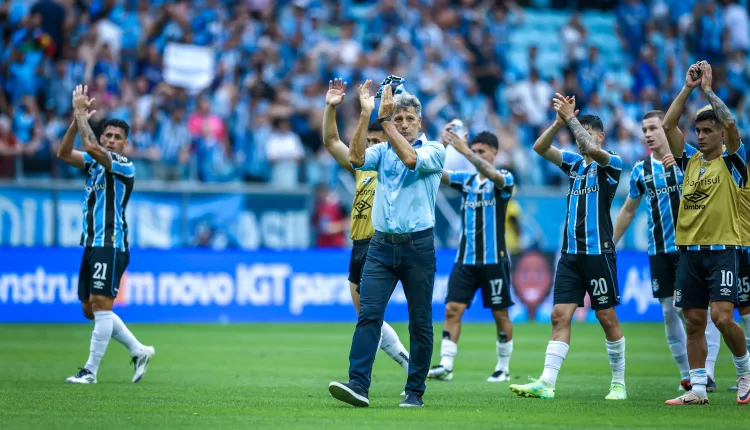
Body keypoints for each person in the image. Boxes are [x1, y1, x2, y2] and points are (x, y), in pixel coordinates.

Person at [328, 82, 446, 408]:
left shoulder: (434, 150)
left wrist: (388, 121)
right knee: (369, 315)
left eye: (410, 118)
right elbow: (354, 157)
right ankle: (358, 385)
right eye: (400, 118)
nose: (405, 124)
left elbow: (410, 159)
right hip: (380, 246)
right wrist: (367, 115)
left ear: (420, 122)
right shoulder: (380, 151)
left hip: (418, 246)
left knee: (419, 321)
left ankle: (414, 393)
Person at [509, 94, 627, 400]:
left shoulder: (611, 163)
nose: (579, 139)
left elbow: (590, 148)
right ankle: (547, 383)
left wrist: (571, 119)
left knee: (606, 318)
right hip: (570, 254)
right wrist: (559, 121)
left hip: (597, 253)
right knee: (559, 316)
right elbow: (540, 147)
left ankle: (618, 383)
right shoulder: (575, 165)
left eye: (586, 133)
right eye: (577, 133)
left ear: (600, 136)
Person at [661, 61, 750, 405]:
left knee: (722, 316)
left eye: (707, 131)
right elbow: (669, 124)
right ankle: (698, 389)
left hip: (722, 249)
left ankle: (744, 371)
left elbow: (730, 121)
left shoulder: (734, 162)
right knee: (694, 320)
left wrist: (708, 91)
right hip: (689, 251)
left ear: (721, 135)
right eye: (697, 131)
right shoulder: (689, 162)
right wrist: (687, 89)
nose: (700, 136)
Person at [56, 85, 154, 384]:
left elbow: (93, 149)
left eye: (117, 138)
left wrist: (80, 113)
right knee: (90, 309)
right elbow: (63, 153)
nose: (111, 141)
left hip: (110, 243)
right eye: (107, 136)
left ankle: (90, 371)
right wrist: (76, 122)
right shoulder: (94, 165)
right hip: (91, 243)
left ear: (125, 144)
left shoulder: (123, 165)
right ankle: (139, 350)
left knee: (101, 304)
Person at [321, 78, 410, 379]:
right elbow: (332, 141)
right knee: (366, 316)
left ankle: (360, 380)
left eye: (376, 142)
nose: (370, 147)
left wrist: (389, 106)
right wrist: (330, 108)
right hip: (358, 245)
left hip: (379, 244)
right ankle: (407, 361)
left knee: (369, 317)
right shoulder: (361, 167)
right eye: (368, 142)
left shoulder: (395, 166)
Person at [428, 127, 516, 383]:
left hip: (494, 261)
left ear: (494, 153)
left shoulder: (504, 179)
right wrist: (442, 145)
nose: (475, 155)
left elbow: (494, 176)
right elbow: (435, 172)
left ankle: (503, 366)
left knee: (500, 314)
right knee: (452, 309)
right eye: (473, 150)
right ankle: (446, 365)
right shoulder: (465, 181)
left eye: (481, 152)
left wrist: (464, 150)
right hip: (465, 259)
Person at [612, 110, 693, 390]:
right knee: (669, 310)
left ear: (668, 129)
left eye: (653, 128)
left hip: (689, 248)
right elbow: (628, 210)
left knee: (691, 311)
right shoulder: (640, 170)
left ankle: (706, 372)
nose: (647, 133)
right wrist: (611, 242)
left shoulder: (688, 163)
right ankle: (687, 374)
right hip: (658, 250)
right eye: (644, 129)